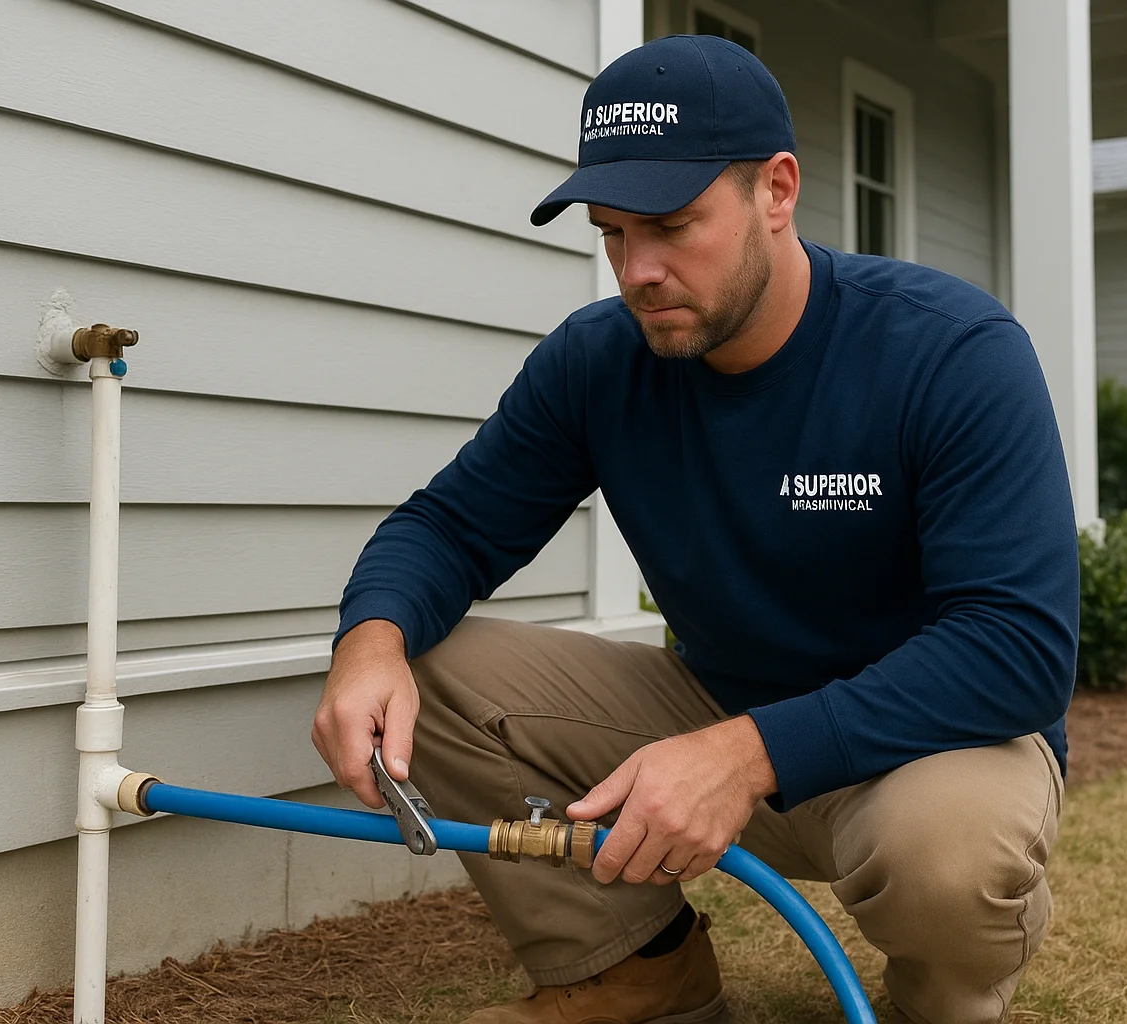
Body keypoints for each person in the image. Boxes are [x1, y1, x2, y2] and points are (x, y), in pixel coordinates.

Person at [312, 33, 1077, 1024]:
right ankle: (637, 971)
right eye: (612, 233)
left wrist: (747, 754)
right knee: (436, 661)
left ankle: (944, 999)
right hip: (717, 710)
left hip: (925, 753)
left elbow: (1016, 652)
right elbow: (448, 526)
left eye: (673, 225)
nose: (639, 271)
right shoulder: (600, 362)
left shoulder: (950, 351)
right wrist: (370, 640)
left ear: (777, 191)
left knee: (947, 852)